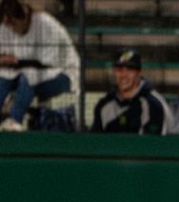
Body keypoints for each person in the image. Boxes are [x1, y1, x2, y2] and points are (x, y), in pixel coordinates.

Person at [0, 0, 79, 133]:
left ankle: (15, 121)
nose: (11, 27)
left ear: (25, 16)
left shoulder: (46, 24)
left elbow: (47, 65)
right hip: (22, 73)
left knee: (30, 76)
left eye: (13, 22)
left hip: (62, 75)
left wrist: (17, 63)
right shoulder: (5, 27)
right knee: (3, 80)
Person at [90, 50, 169, 135]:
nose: (124, 75)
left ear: (139, 73)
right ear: (114, 72)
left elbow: (152, 146)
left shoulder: (153, 104)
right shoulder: (104, 105)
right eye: (119, 69)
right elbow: (94, 144)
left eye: (130, 70)